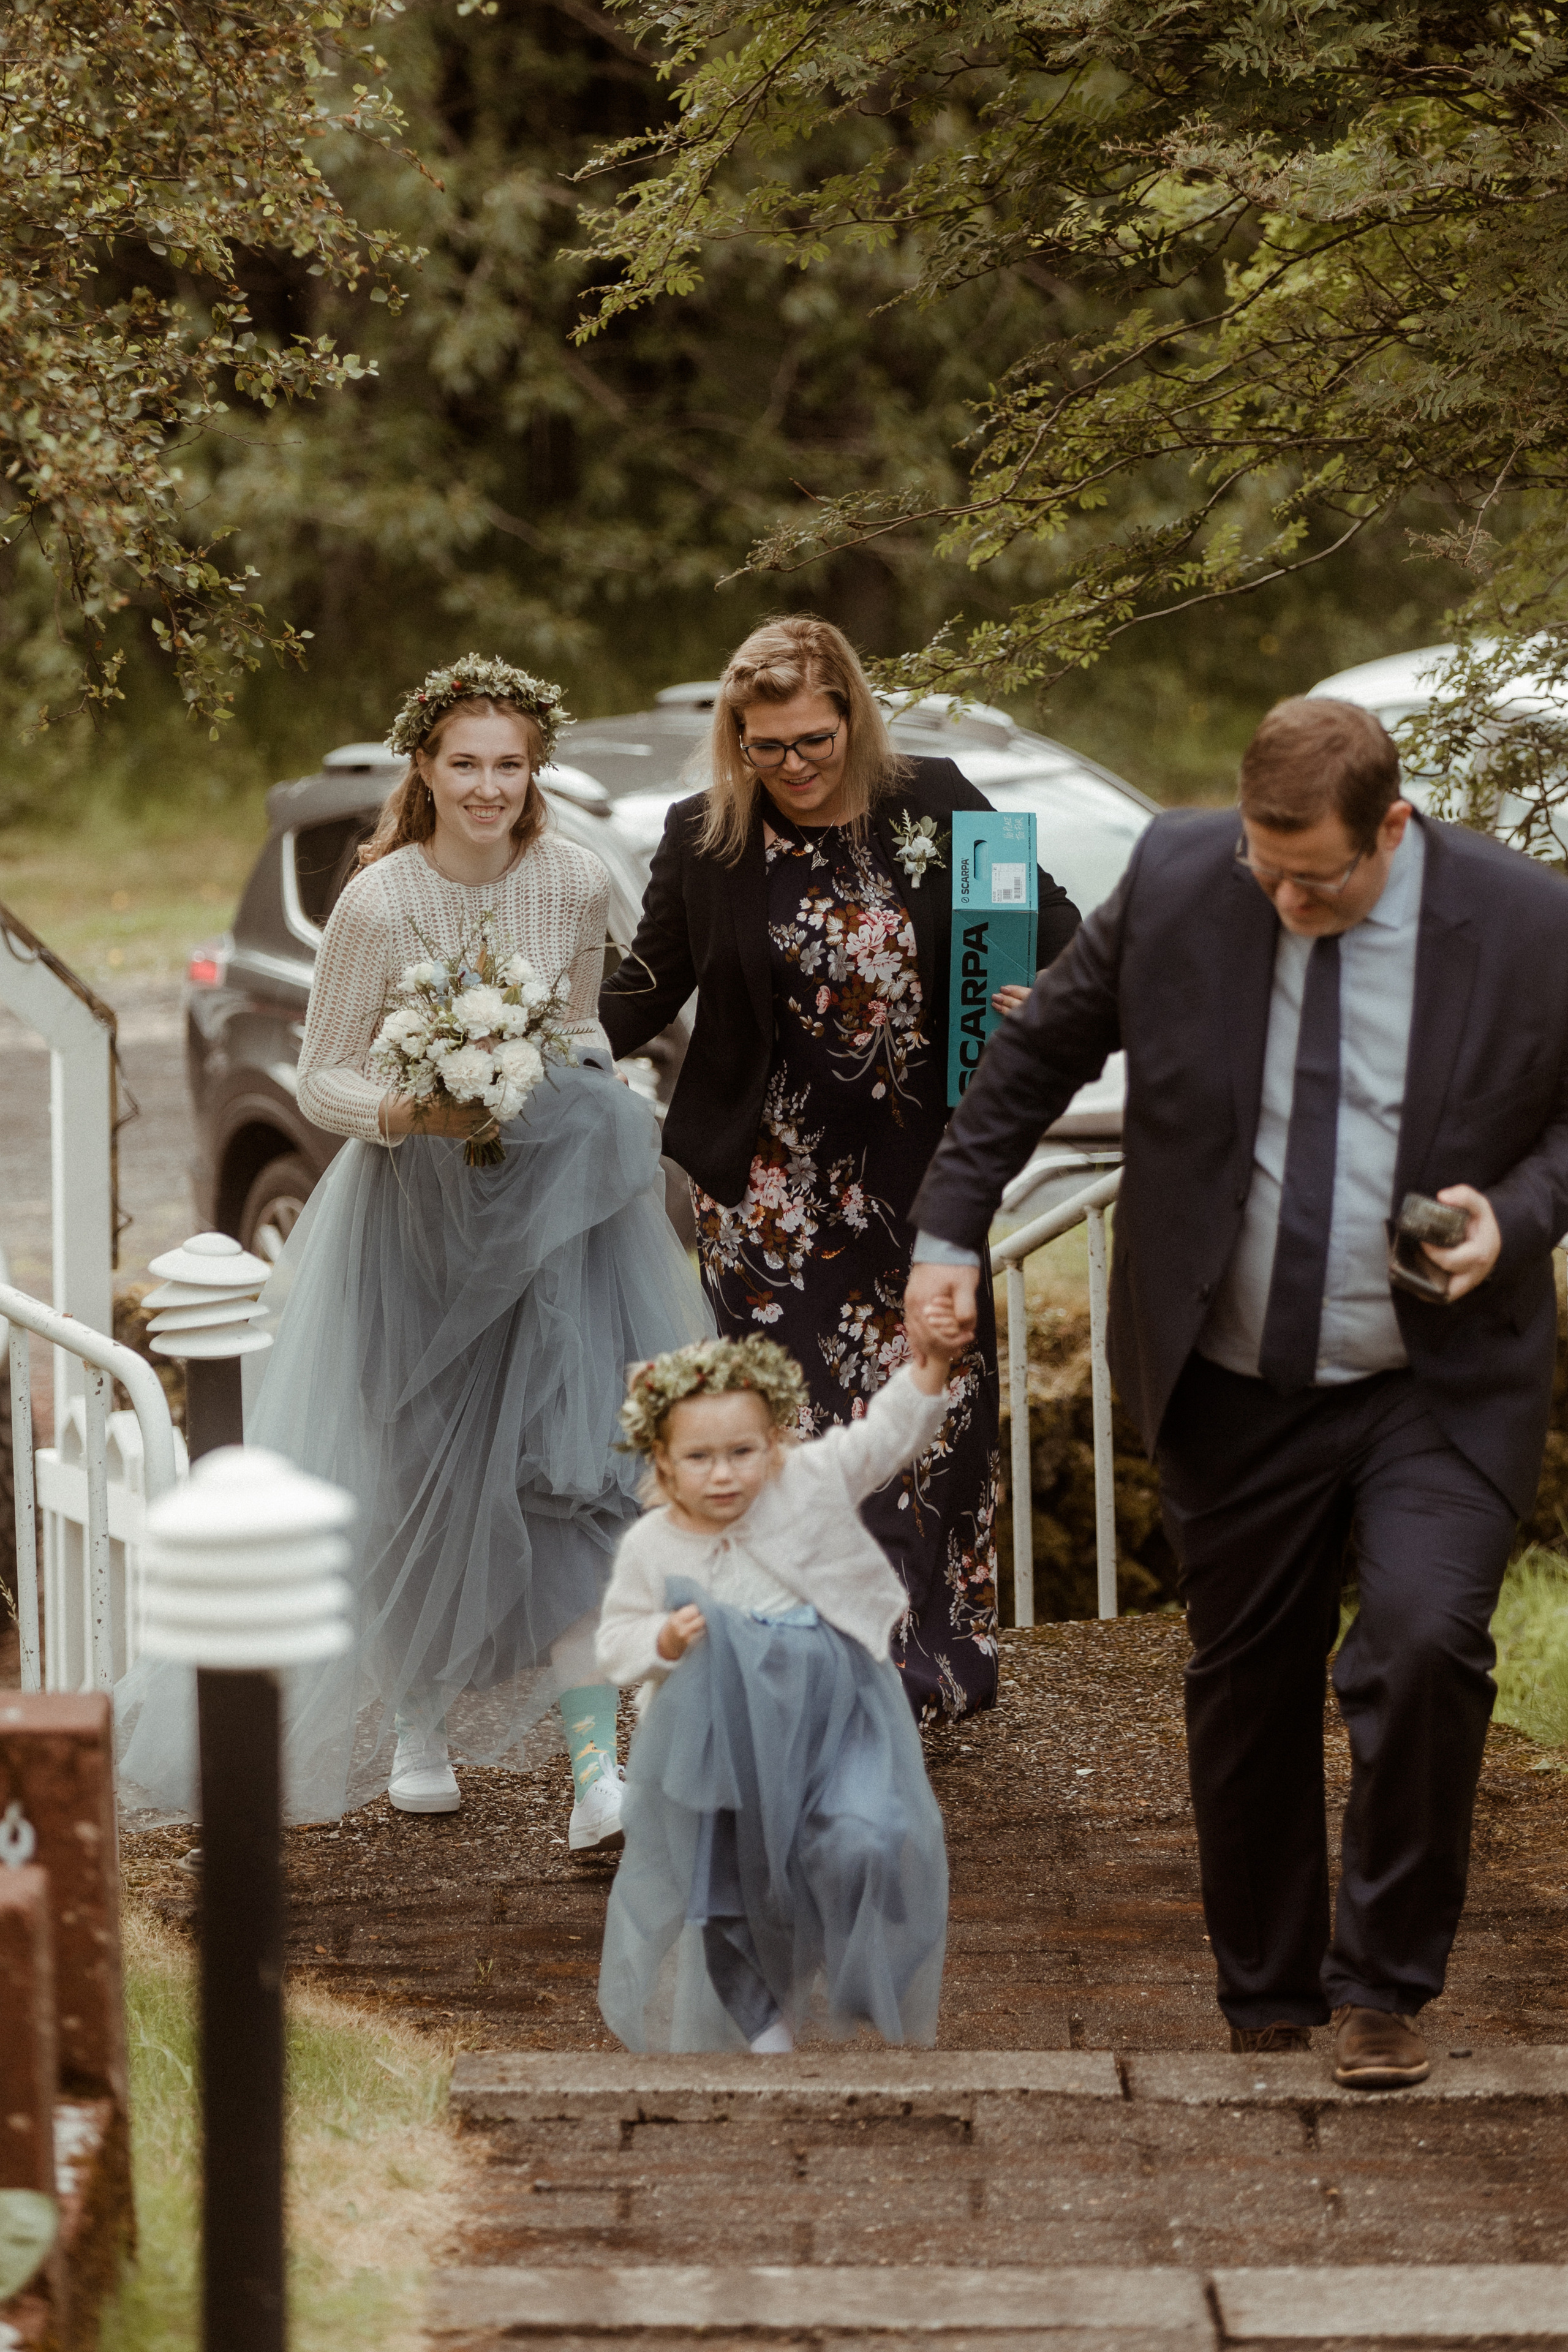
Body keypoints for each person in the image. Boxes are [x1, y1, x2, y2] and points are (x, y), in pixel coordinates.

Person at [905, 695, 1568, 2090]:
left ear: (1391, 828)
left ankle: (1382, 1981)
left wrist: (1513, 1213)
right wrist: (947, 1231)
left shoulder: (1522, 920)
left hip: (1433, 1380)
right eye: (1264, 870)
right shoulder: (1179, 877)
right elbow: (1033, 1056)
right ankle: (1266, 1991)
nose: (1278, 896)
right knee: (1244, 1679)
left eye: (1311, 878)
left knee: (1421, 1641)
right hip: (1233, 1372)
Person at [120, 655, 712, 1843]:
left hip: (555, 1227)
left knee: (569, 1476)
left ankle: (598, 1773)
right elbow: (328, 1075)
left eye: (508, 764)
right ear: (427, 770)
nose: (488, 786)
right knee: (415, 1474)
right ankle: (420, 1728)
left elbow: (590, 1027)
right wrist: (416, 1110)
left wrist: (561, 1078)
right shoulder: (379, 900)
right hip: (416, 1221)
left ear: (534, 766)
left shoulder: (577, 880)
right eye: (465, 764)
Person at [599, 614, 1080, 1727]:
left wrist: (1041, 996)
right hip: (767, 1191)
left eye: (814, 740)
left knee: (934, 1417)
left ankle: (932, 1660)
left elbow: (1057, 930)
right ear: (737, 740)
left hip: (923, 1180)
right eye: (768, 748)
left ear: (852, 717)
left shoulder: (939, 800)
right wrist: (543, 1044)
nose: (795, 768)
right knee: (803, 1432)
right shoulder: (705, 835)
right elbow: (647, 988)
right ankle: (830, 1675)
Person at [594, 1333, 953, 2052]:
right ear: (662, 1460)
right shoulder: (652, 1545)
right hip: (718, 1738)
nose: (723, 1474)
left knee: (866, 1836)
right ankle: (763, 2028)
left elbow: (883, 1437)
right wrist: (662, 1639)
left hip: (834, 1714)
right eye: (698, 1458)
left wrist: (931, 1369)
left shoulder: (807, 1483)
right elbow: (615, 1642)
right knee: (726, 1889)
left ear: (776, 1443)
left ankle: (860, 1972)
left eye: (742, 1452)